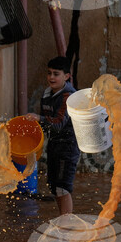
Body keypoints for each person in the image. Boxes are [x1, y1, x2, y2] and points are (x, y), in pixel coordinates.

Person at [24, 56, 79, 215]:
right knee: (54, 186)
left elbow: (58, 124)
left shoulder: (68, 96)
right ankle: (63, 220)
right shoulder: (48, 93)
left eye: (56, 74)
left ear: (66, 76)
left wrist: (39, 119)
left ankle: (67, 224)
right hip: (54, 145)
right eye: (49, 73)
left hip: (68, 147)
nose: (51, 77)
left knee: (63, 187)